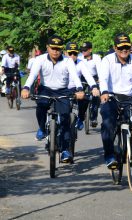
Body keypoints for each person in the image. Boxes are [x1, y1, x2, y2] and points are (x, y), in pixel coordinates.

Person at [21, 35, 85, 163]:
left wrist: (79, 89)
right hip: (45, 89)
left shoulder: (68, 61)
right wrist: (26, 88)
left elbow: (75, 76)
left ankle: (65, 150)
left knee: (66, 117)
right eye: (53, 48)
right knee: (41, 108)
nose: (55, 51)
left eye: (58, 48)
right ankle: (42, 129)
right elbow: (33, 75)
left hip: (62, 91)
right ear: (47, 47)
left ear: (62, 49)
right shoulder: (40, 59)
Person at [99, 33, 132, 169]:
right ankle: (109, 156)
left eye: (127, 47)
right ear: (115, 48)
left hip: (131, 98)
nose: (124, 50)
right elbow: (103, 78)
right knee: (107, 123)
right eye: (120, 47)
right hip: (112, 97)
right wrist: (104, 92)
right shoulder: (107, 60)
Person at [65, 42, 100, 130]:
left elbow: (88, 75)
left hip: (78, 85)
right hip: (62, 89)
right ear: (66, 53)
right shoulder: (61, 62)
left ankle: (82, 118)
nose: (72, 56)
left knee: (86, 99)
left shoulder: (81, 63)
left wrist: (94, 87)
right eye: (70, 53)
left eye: (75, 53)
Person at [79, 41, 102, 128]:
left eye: (85, 50)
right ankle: (81, 114)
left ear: (90, 50)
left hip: (94, 79)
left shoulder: (96, 58)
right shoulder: (79, 57)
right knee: (81, 97)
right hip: (82, 79)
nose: (83, 52)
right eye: (82, 50)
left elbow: (100, 70)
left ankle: (94, 118)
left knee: (95, 98)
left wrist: (100, 79)